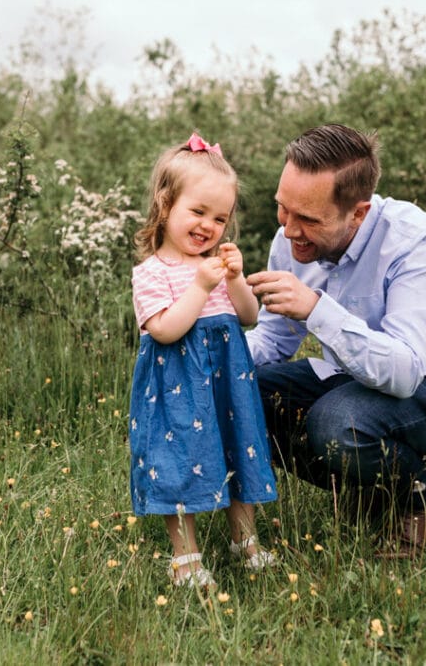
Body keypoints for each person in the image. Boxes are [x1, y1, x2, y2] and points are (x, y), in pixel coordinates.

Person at [245, 124, 426, 557]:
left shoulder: (413, 240)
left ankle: (423, 500)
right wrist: (209, 361)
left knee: (336, 423)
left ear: (358, 213)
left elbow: (403, 372)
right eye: (282, 210)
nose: (289, 231)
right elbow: (272, 339)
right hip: (353, 380)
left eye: (307, 219)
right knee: (240, 392)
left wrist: (316, 308)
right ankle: (370, 490)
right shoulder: (291, 239)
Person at [129, 133, 277, 587]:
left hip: (228, 380)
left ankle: (245, 541)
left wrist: (234, 280)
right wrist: (199, 287)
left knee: (240, 448)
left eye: (220, 218)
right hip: (178, 384)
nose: (209, 226)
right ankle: (186, 557)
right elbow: (166, 329)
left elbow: (249, 317)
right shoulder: (152, 272)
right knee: (179, 460)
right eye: (198, 212)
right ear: (165, 203)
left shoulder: (215, 266)